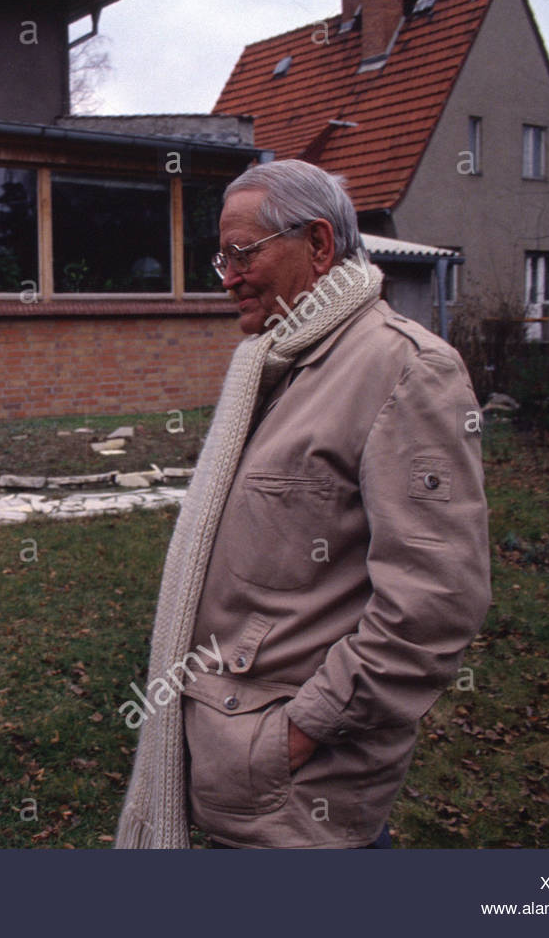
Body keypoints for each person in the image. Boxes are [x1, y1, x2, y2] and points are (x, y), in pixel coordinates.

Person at [115, 159, 490, 849]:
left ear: (318, 245)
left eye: (243, 253)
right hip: (235, 768)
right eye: (220, 256)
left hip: (297, 799)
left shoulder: (405, 369)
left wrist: (299, 731)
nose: (227, 276)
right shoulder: (275, 363)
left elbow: (435, 602)